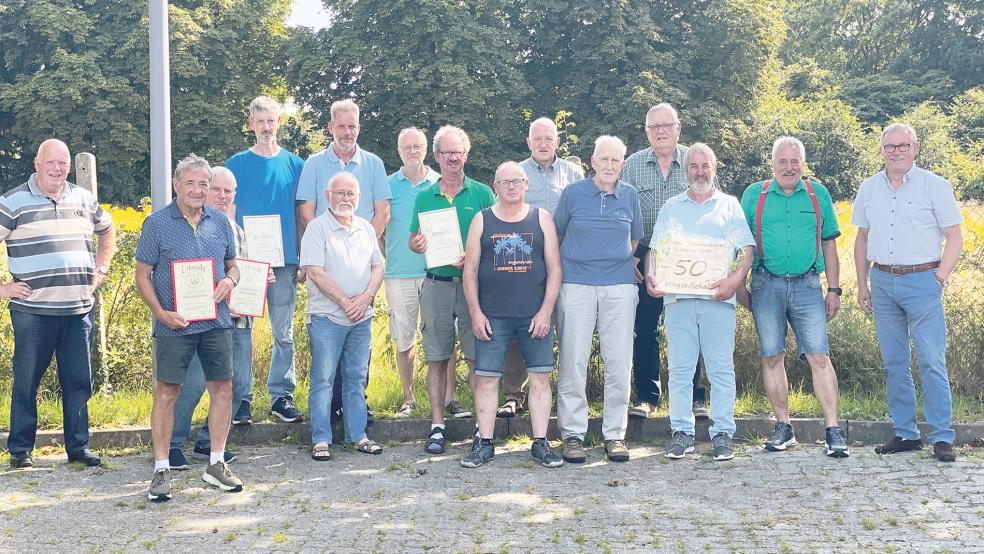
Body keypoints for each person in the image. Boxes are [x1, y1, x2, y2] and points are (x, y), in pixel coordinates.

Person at [1, 139, 116, 469]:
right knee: (26, 381)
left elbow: (108, 232)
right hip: (33, 311)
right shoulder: (12, 202)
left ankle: (78, 448)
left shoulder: (83, 198)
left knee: (79, 382)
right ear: (37, 163)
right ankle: (20, 450)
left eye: (63, 162)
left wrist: (101, 271)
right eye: (50, 162)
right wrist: (3, 288)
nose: (57, 168)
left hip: (78, 309)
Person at [135, 154, 244, 501]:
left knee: (223, 388)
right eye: (191, 183)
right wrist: (161, 313)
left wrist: (229, 280)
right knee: (167, 392)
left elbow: (234, 266)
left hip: (216, 321)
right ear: (176, 185)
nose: (198, 190)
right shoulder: (156, 223)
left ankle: (215, 464)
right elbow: (142, 276)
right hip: (173, 324)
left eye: (203, 184)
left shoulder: (221, 223)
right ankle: (162, 469)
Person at [853, 123, 963, 462]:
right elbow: (861, 239)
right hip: (883, 282)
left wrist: (939, 278)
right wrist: (862, 283)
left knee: (931, 360)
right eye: (890, 146)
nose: (896, 151)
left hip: (923, 281)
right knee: (894, 362)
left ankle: (942, 436)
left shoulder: (935, 186)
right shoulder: (869, 188)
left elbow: (955, 237)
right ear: (881, 151)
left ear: (915, 149)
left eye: (903, 145)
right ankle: (905, 433)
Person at [736, 137, 849, 457]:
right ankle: (783, 427)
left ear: (803, 163)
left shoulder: (818, 194)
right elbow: (742, 245)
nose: (789, 167)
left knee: (819, 356)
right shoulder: (753, 195)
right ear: (772, 164)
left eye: (795, 161)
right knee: (772, 355)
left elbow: (830, 244)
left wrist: (834, 289)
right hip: (765, 285)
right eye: (782, 162)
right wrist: (740, 285)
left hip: (808, 285)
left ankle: (832, 429)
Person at [647, 143, 754, 462]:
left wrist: (734, 282)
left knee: (721, 368)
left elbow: (745, 250)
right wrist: (653, 277)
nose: (699, 172)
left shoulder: (729, 206)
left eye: (705, 165)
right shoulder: (671, 207)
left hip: (718, 300)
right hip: (678, 299)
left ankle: (723, 433)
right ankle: (682, 432)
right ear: (685, 171)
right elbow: (655, 250)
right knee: (680, 369)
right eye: (693, 166)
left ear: (714, 168)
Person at [461, 161, 564, 468]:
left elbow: (555, 269)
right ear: (495, 187)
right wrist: (476, 314)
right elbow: (470, 270)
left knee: (541, 378)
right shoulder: (482, 220)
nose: (511, 186)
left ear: (525, 184)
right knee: (487, 380)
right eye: (504, 182)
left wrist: (546, 311)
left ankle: (541, 443)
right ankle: (485, 443)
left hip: (535, 316)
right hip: (493, 316)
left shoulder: (541, 218)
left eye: (516, 181)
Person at [168, 167, 271, 470]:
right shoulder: (195, 225)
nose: (223, 196)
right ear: (206, 190)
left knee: (238, 385)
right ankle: (173, 444)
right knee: (193, 384)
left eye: (229, 191)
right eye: (217, 189)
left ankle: (207, 441)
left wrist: (264, 280)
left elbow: (241, 270)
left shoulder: (234, 228)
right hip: (206, 322)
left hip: (239, 322)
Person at [296, 99, 391, 420]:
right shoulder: (314, 164)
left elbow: (383, 211)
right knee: (327, 342)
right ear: (330, 128)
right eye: (341, 126)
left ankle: (355, 407)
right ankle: (329, 410)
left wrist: (361, 245)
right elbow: (306, 211)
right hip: (324, 262)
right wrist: (327, 242)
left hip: (363, 264)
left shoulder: (374, 164)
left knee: (358, 345)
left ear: (359, 128)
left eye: (352, 126)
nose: (347, 132)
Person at [555, 135, 643, 464]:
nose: (609, 166)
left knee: (619, 361)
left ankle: (614, 434)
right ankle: (573, 435)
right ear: (593, 162)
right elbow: (558, 233)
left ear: (623, 164)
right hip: (575, 284)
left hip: (619, 286)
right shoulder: (572, 194)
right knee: (573, 360)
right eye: (603, 160)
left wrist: (611, 261)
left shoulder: (630, 195)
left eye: (615, 161)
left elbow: (634, 240)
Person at [408, 125, 495, 454]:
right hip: (437, 284)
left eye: (458, 152)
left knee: (477, 357)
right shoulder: (423, 196)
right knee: (437, 357)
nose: (453, 157)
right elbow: (414, 239)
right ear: (437, 157)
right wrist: (416, 244)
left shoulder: (483, 193)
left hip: (474, 287)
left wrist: (474, 255)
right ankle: (437, 426)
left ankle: (480, 425)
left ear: (466, 155)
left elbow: (494, 240)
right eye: (447, 152)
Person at [493, 117, 583, 419]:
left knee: (566, 327)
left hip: (567, 261)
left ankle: (563, 396)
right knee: (521, 329)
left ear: (557, 141)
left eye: (549, 138)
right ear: (528, 142)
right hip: (524, 263)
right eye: (537, 139)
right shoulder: (517, 174)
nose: (543, 144)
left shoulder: (574, 173)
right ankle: (513, 395)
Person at [621, 103, 706, 420]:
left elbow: (713, 203)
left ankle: (695, 397)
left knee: (689, 327)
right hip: (644, 256)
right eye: (653, 127)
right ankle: (647, 396)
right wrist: (628, 255)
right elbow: (622, 213)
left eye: (665, 125)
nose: (660, 131)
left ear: (678, 128)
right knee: (644, 328)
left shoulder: (695, 159)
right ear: (646, 132)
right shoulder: (632, 166)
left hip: (689, 257)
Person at [226, 96, 305, 424]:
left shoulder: (296, 165)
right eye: (259, 122)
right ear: (251, 124)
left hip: (285, 260)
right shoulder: (238, 164)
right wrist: (231, 259)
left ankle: (280, 396)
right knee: (241, 331)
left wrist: (303, 258)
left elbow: (303, 215)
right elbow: (227, 214)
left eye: (271, 120)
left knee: (283, 332)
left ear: (279, 122)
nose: (266, 127)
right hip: (245, 264)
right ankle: (241, 398)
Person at [301, 172, 385, 460]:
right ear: (328, 196)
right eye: (339, 193)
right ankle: (321, 439)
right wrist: (345, 301)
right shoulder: (317, 228)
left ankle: (358, 435)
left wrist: (366, 298)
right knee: (323, 379)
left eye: (351, 194)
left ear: (358, 198)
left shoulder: (365, 228)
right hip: (327, 317)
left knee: (356, 378)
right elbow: (315, 271)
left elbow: (378, 266)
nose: (345, 198)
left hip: (361, 316)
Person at [383, 128, 457, 418]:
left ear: (427, 150)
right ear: (398, 150)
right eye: (406, 147)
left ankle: (450, 397)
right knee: (404, 336)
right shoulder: (387, 185)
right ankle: (409, 397)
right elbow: (380, 228)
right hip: (398, 273)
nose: (412, 151)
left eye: (417, 146)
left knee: (443, 334)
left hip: (435, 271)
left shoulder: (439, 183)